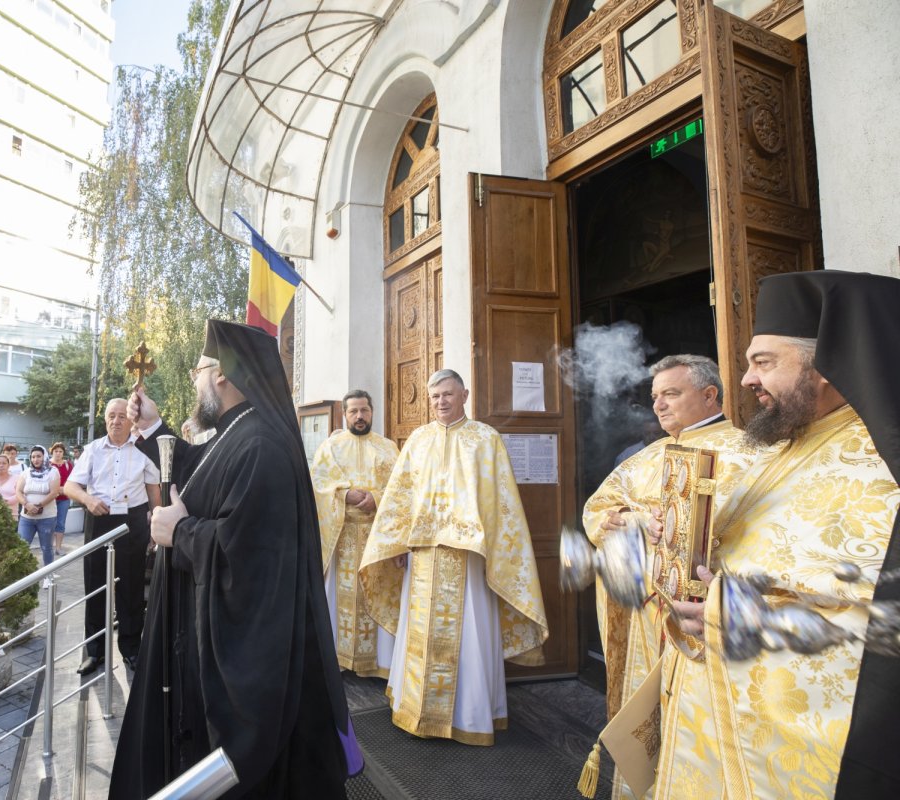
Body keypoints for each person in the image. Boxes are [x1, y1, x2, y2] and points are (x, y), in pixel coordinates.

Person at [653, 271, 900, 798]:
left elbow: (879, 628)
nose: (746, 380)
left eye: (763, 362)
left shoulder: (881, 464)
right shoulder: (782, 443)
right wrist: (678, 534)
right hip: (715, 725)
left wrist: (723, 611)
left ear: (829, 363)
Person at [111, 319, 359, 798]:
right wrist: (153, 427)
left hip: (251, 676)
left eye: (198, 370)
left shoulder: (261, 445)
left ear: (223, 373)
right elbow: (209, 474)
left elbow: (249, 559)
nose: (194, 378)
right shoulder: (240, 431)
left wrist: (179, 532)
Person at [581, 356, 756, 797]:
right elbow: (597, 509)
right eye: (655, 397)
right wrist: (624, 518)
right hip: (644, 620)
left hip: (701, 623)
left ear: (709, 394)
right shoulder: (645, 458)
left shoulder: (749, 452)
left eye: (671, 394)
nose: (658, 405)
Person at [359, 369, 548, 745]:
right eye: (434, 397)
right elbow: (402, 496)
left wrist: (493, 550)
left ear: (464, 394)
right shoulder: (418, 439)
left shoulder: (485, 439)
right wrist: (399, 544)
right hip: (423, 555)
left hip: (469, 558)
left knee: (470, 633)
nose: (441, 402)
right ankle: (416, 710)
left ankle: (470, 715)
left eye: (447, 394)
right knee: (420, 634)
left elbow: (501, 504)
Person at [64, 398, 159, 677]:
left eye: (121, 416)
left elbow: (154, 491)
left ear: (130, 421)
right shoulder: (93, 450)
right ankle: (95, 652)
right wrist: (87, 499)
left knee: (130, 589)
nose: (116, 421)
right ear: (105, 419)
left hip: (133, 522)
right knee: (96, 587)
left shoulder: (143, 451)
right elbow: (70, 486)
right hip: (100, 518)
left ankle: (131, 649)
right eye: (111, 416)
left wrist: (155, 521)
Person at [310, 389, 399, 677]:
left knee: (379, 594)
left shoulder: (388, 449)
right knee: (339, 600)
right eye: (354, 412)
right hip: (342, 537)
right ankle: (339, 658)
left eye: (365, 411)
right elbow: (317, 486)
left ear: (372, 412)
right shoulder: (330, 449)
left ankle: (378, 663)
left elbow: (403, 491)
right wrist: (344, 494)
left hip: (377, 537)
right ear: (344, 415)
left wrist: (376, 496)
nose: (360, 416)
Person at [16, 446, 61, 566]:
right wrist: (27, 504)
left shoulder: (53, 472)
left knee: (46, 548)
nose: (36, 459)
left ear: (45, 457)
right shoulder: (25, 473)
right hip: (27, 518)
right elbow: (18, 491)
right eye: (33, 456)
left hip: (47, 518)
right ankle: (22, 577)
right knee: (22, 546)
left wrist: (38, 506)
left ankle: (48, 576)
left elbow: (54, 492)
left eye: (39, 456)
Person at [48, 442, 73, 556]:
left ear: (63, 453)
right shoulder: (47, 465)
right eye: (56, 451)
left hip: (64, 498)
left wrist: (65, 488)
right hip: (50, 498)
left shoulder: (68, 464)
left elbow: (72, 480)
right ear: (52, 452)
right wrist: (55, 489)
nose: (58, 453)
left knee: (61, 523)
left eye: (60, 451)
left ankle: (58, 548)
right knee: (49, 522)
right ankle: (49, 547)